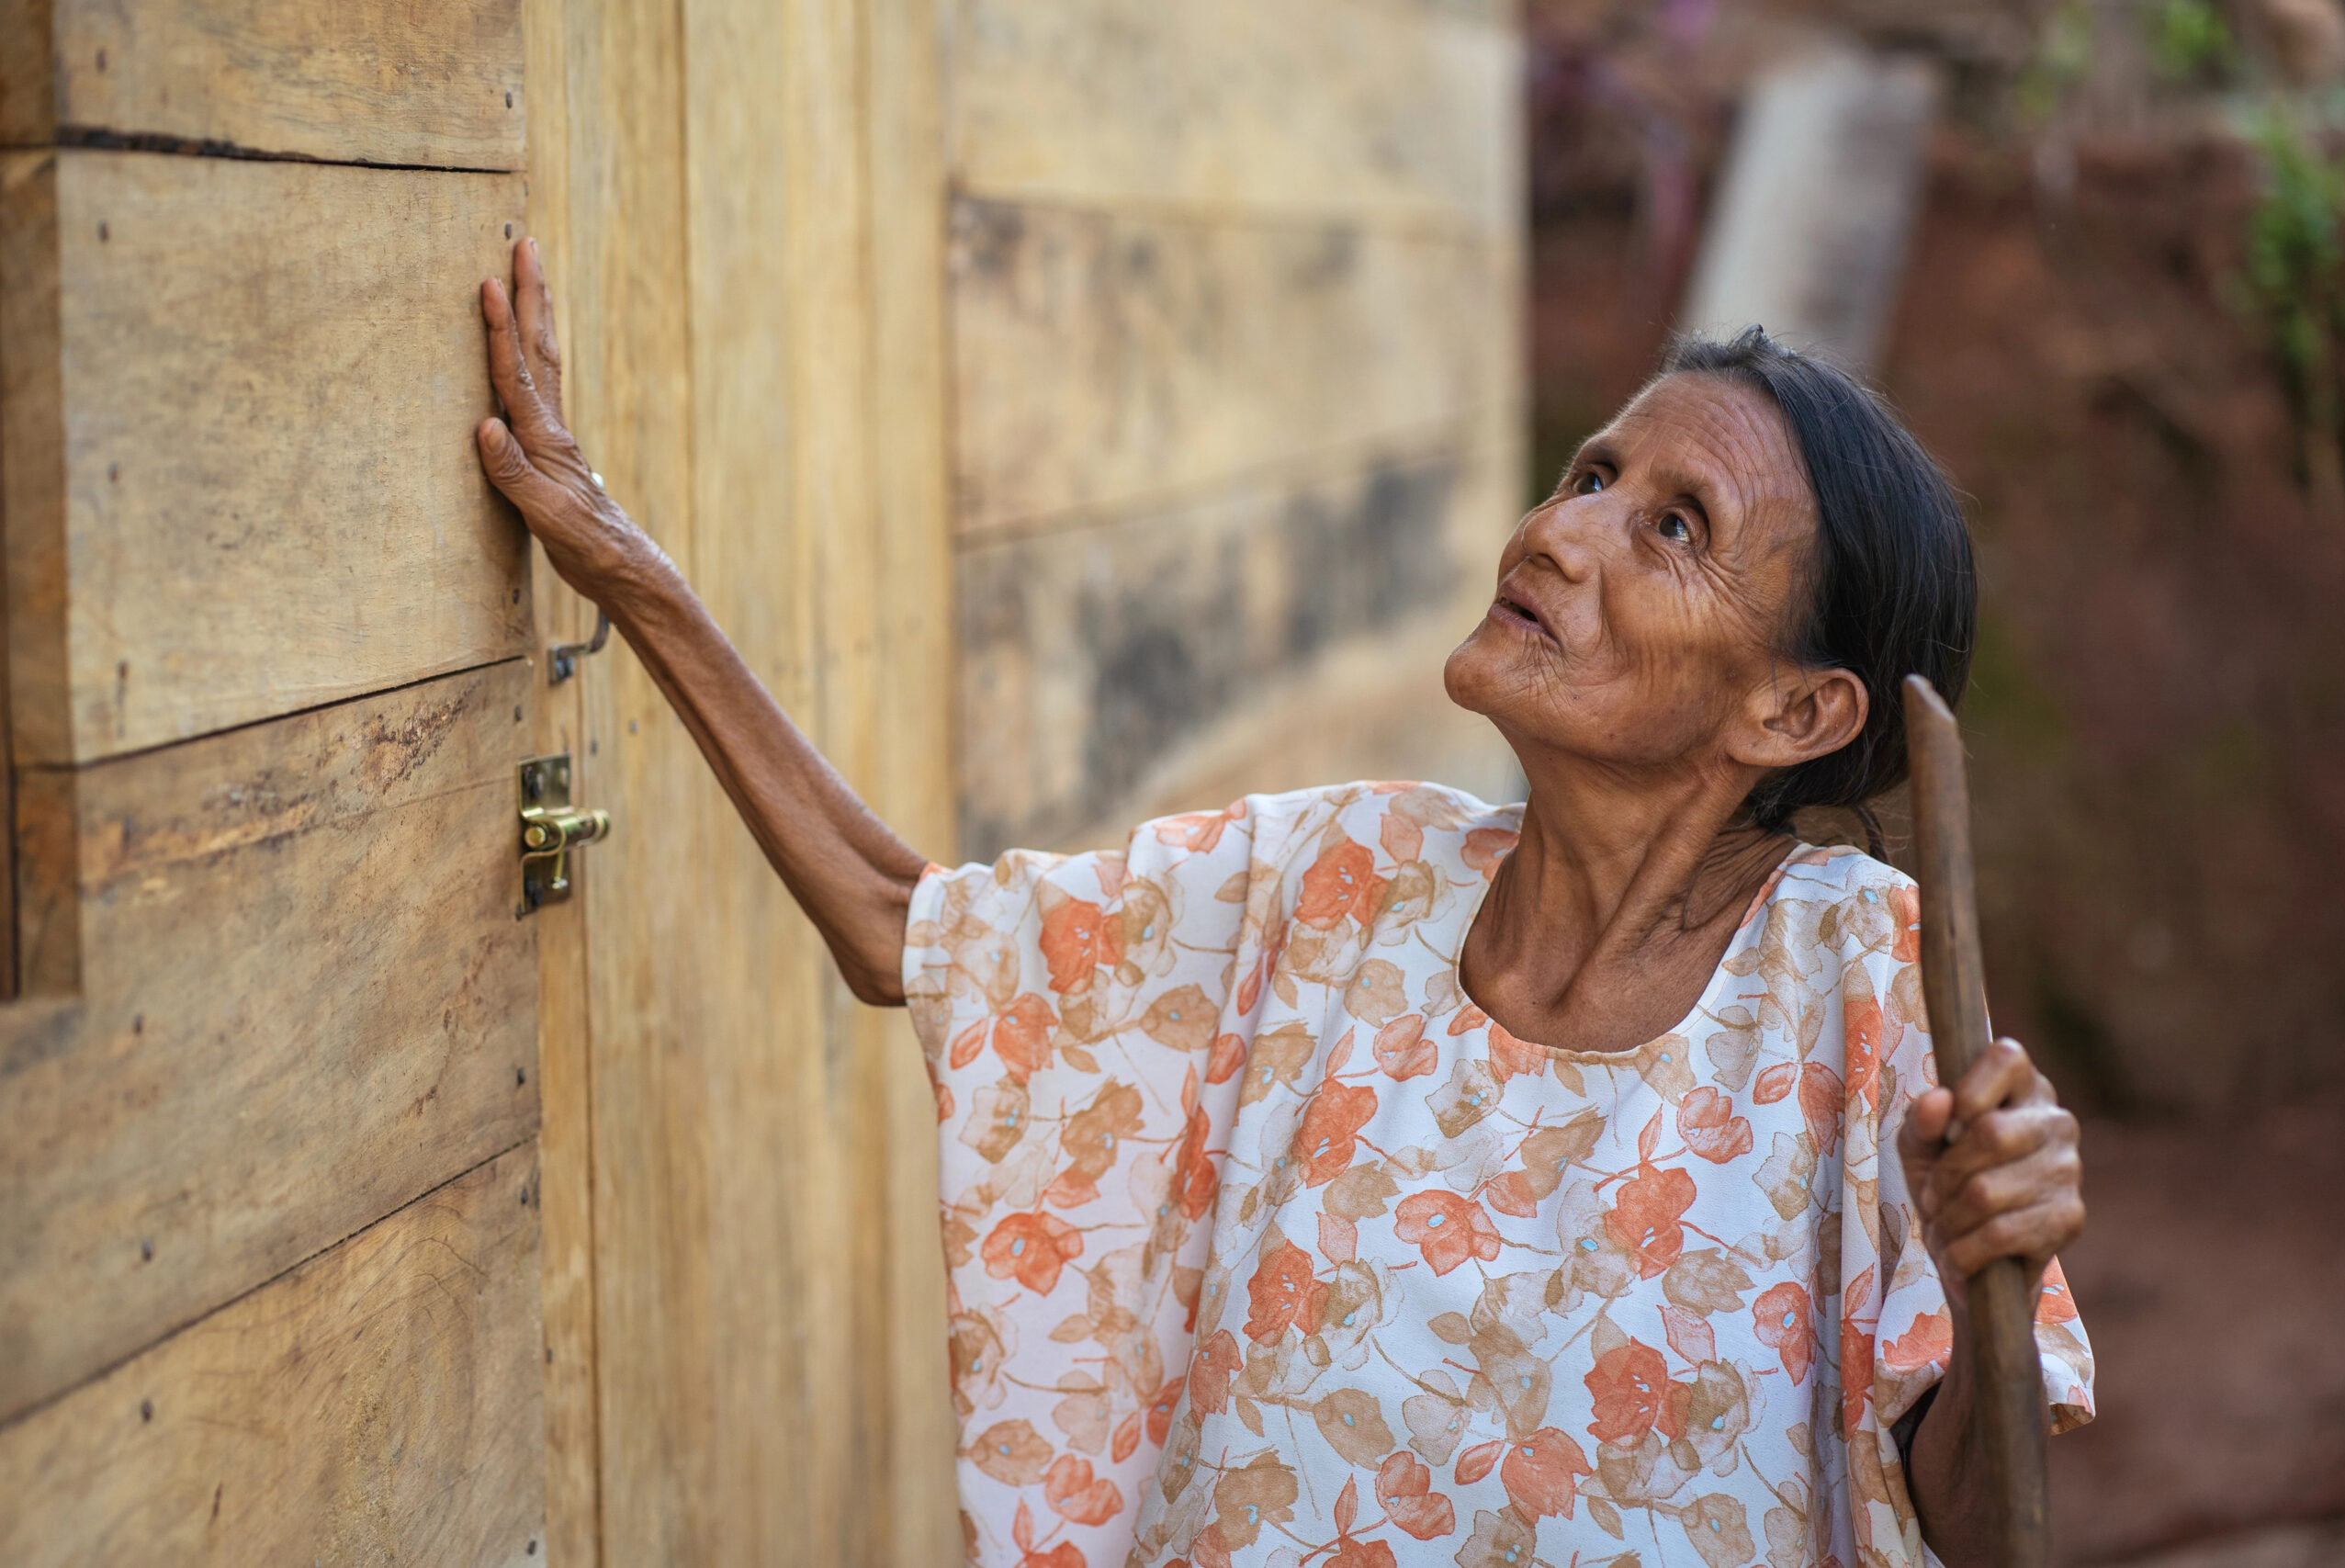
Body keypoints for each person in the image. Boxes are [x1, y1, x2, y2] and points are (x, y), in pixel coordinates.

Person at [476, 239, 2092, 1568]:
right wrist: (626, 570)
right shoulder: (1335, 884)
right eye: (1591, 472)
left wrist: (1983, 1286)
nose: (1556, 532)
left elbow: (1981, 1539)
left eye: (1671, 527)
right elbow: (909, 927)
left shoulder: (1850, 977)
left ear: (1798, 716)